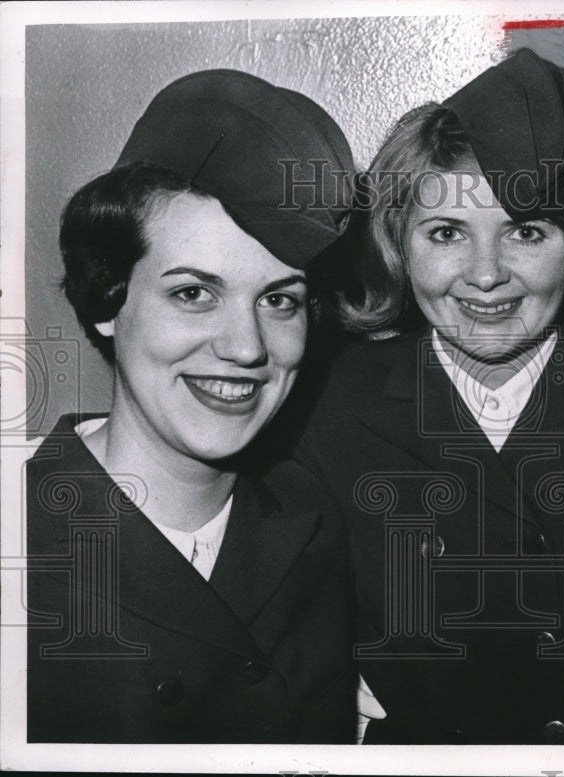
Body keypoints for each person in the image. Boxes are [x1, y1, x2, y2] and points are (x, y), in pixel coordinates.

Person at [294, 48, 564, 744]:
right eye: (446, 233)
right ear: (399, 245)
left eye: (525, 232)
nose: (486, 275)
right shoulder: (324, 406)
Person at [26, 69, 357, 743]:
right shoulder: (22, 542)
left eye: (279, 300)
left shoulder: (317, 517)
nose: (245, 347)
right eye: (193, 293)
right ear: (109, 297)